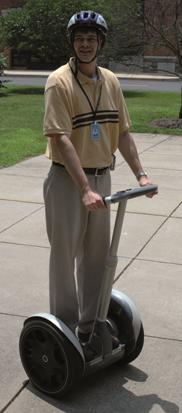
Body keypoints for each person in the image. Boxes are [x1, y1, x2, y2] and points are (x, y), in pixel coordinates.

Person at [43, 10, 156, 348]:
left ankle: (89, 326)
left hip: (102, 180)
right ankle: (64, 330)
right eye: (80, 38)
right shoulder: (59, 81)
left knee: (96, 256)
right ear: (72, 43)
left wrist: (141, 174)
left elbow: (122, 133)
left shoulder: (110, 80)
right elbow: (61, 140)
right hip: (68, 182)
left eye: (91, 38)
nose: (86, 44)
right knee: (64, 256)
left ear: (101, 42)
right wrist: (84, 189)